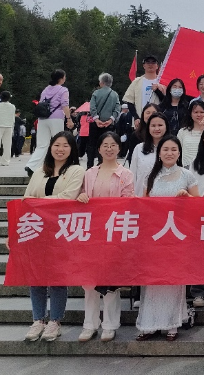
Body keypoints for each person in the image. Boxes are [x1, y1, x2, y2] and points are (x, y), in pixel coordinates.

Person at [22, 131, 85, 342]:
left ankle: (55, 321)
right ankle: (38, 319)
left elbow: (68, 197)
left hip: (61, 230)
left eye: (65, 145)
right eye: (57, 145)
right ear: (50, 147)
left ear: (72, 149)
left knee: (58, 278)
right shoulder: (40, 171)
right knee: (36, 277)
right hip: (37, 230)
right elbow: (26, 199)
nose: (60, 149)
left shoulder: (76, 170)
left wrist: (39, 202)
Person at [136, 136, 199, 342]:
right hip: (155, 237)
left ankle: (172, 324)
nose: (169, 153)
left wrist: (187, 198)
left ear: (179, 153)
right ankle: (149, 324)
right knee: (152, 281)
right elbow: (144, 206)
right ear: (159, 153)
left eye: (173, 149)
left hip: (177, 237)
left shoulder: (187, 175)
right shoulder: (150, 176)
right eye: (165, 149)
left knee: (173, 280)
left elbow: (199, 206)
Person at [76, 132, 134, 342]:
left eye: (113, 145)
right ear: (99, 148)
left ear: (119, 148)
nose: (109, 149)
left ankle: (110, 324)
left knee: (110, 282)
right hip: (91, 233)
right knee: (89, 281)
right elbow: (81, 195)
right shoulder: (89, 173)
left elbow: (128, 201)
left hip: (113, 232)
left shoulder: (125, 174)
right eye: (105, 145)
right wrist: (82, 196)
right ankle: (90, 324)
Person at [25, 70, 74, 175]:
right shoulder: (63, 90)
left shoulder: (46, 89)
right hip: (56, 118)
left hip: (43, 118)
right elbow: (65, 105)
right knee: (60, 142)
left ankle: (31, 165)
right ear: (61, 78)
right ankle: (61, 165)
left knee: (42, 144)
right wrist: (69, 119)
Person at [86, 73, 121, 169]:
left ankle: (89, 165)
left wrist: (96, 119)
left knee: (92, 144)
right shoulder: (114, 94)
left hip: (95, 123)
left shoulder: (96, 93)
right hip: (108, 124)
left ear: (101, 82)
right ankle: (102, 164)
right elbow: (117, 108)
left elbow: (92, 107)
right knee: (106, 144)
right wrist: (111, 119)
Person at [130, 113, 168, 197]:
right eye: (153, 126)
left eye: (160, 125)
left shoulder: (172, 149)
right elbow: (132, 174)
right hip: (141, 197)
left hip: (165, 197)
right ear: (148, 128)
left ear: (166, 127)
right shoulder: (139, 148)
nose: (157, 128)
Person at [122, 55, 165, 128]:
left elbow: (166, 102)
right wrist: (136, 117)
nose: (150, 64)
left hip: (157, 122)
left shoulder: (162, 83)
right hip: (140, 122)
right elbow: (130, 101)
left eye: (153, 62)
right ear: (144, 66)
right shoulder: (136, 82)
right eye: (148, 62)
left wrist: (157, 91)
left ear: (157, 66)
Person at [177, 100, 204, 168]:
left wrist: (203, 131)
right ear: (190, 114)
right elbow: (177, 150)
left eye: (202, 112)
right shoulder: (182, 132)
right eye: (195, 112)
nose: (199, 115)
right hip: (186, 167)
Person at [0, 91, 15, 165]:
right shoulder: (12, 106)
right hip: (9, 126)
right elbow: (13, 118)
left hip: (0, 125)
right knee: (7, 145)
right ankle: (5, 161)